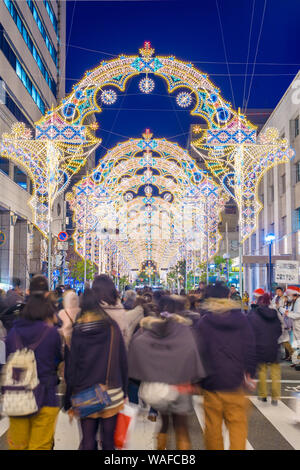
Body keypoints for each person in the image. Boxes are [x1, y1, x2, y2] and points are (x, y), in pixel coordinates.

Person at [128, 295, 206, 450]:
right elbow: (193, 353)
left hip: (160, 385)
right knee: (181, 429)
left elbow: (138, 344)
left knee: (163, 425)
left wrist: (144, 374)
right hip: (181, 385)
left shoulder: (154, 328)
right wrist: (197, 380)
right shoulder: (184, 330)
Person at [63, 287, 128, 450]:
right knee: (108, 441)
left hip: (84, 391)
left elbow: (72, 366)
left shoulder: (77, 329)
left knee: (88, 440)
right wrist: (125, 390)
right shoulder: (112, 327)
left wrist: (68, 396)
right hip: (111, 388)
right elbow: (122, 360)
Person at [5, 275, 63, 450]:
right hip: (45, 395)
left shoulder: (14, 332)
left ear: (28, 293)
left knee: (18, 446)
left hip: (18, 396)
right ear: (47, 296)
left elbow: (9, 358)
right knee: (40, 446)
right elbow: (56, 360)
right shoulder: (51, 332)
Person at [196, 282, 256, 450]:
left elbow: (198, 352)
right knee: (237, 425)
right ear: (228, 296)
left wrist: (199, 379)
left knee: (213, 428)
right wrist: (250, 372)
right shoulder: (241, 319)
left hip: (211, 383)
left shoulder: (204, 322)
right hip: (235, 381)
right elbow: (250, 347)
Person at [248, 293, 282, 404]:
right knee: (275, 371)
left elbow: (250, 330)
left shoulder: (253, 315)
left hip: (260, 346)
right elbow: (279, 330)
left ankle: (263, 395)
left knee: (262, 371)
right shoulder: (274, 314)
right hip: (273, 345)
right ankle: (275, 397)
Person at [271, 287, 294, 360]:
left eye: (279, 291)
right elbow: (273, 306)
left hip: (284, 320)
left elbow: (286, 309)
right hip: (278, 319)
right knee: (283, 339)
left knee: (285, 339)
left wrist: (278, 307)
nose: (277, 293)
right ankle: (288, 355)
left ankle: (292, 355)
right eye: (276, 291)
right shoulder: (275, 298)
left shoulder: (285, 298)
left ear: (282, 291)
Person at [284, 286, 300, 362]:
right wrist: (289, 313)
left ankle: (297, 362)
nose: (289, 297)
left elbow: (298, 315)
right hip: (296, 327)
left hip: (298, 326)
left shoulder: (298, 302)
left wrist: (288, 314)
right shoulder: (296, 302)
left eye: (289, 295)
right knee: (296, 345)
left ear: (294, 294)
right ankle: (296, 361)